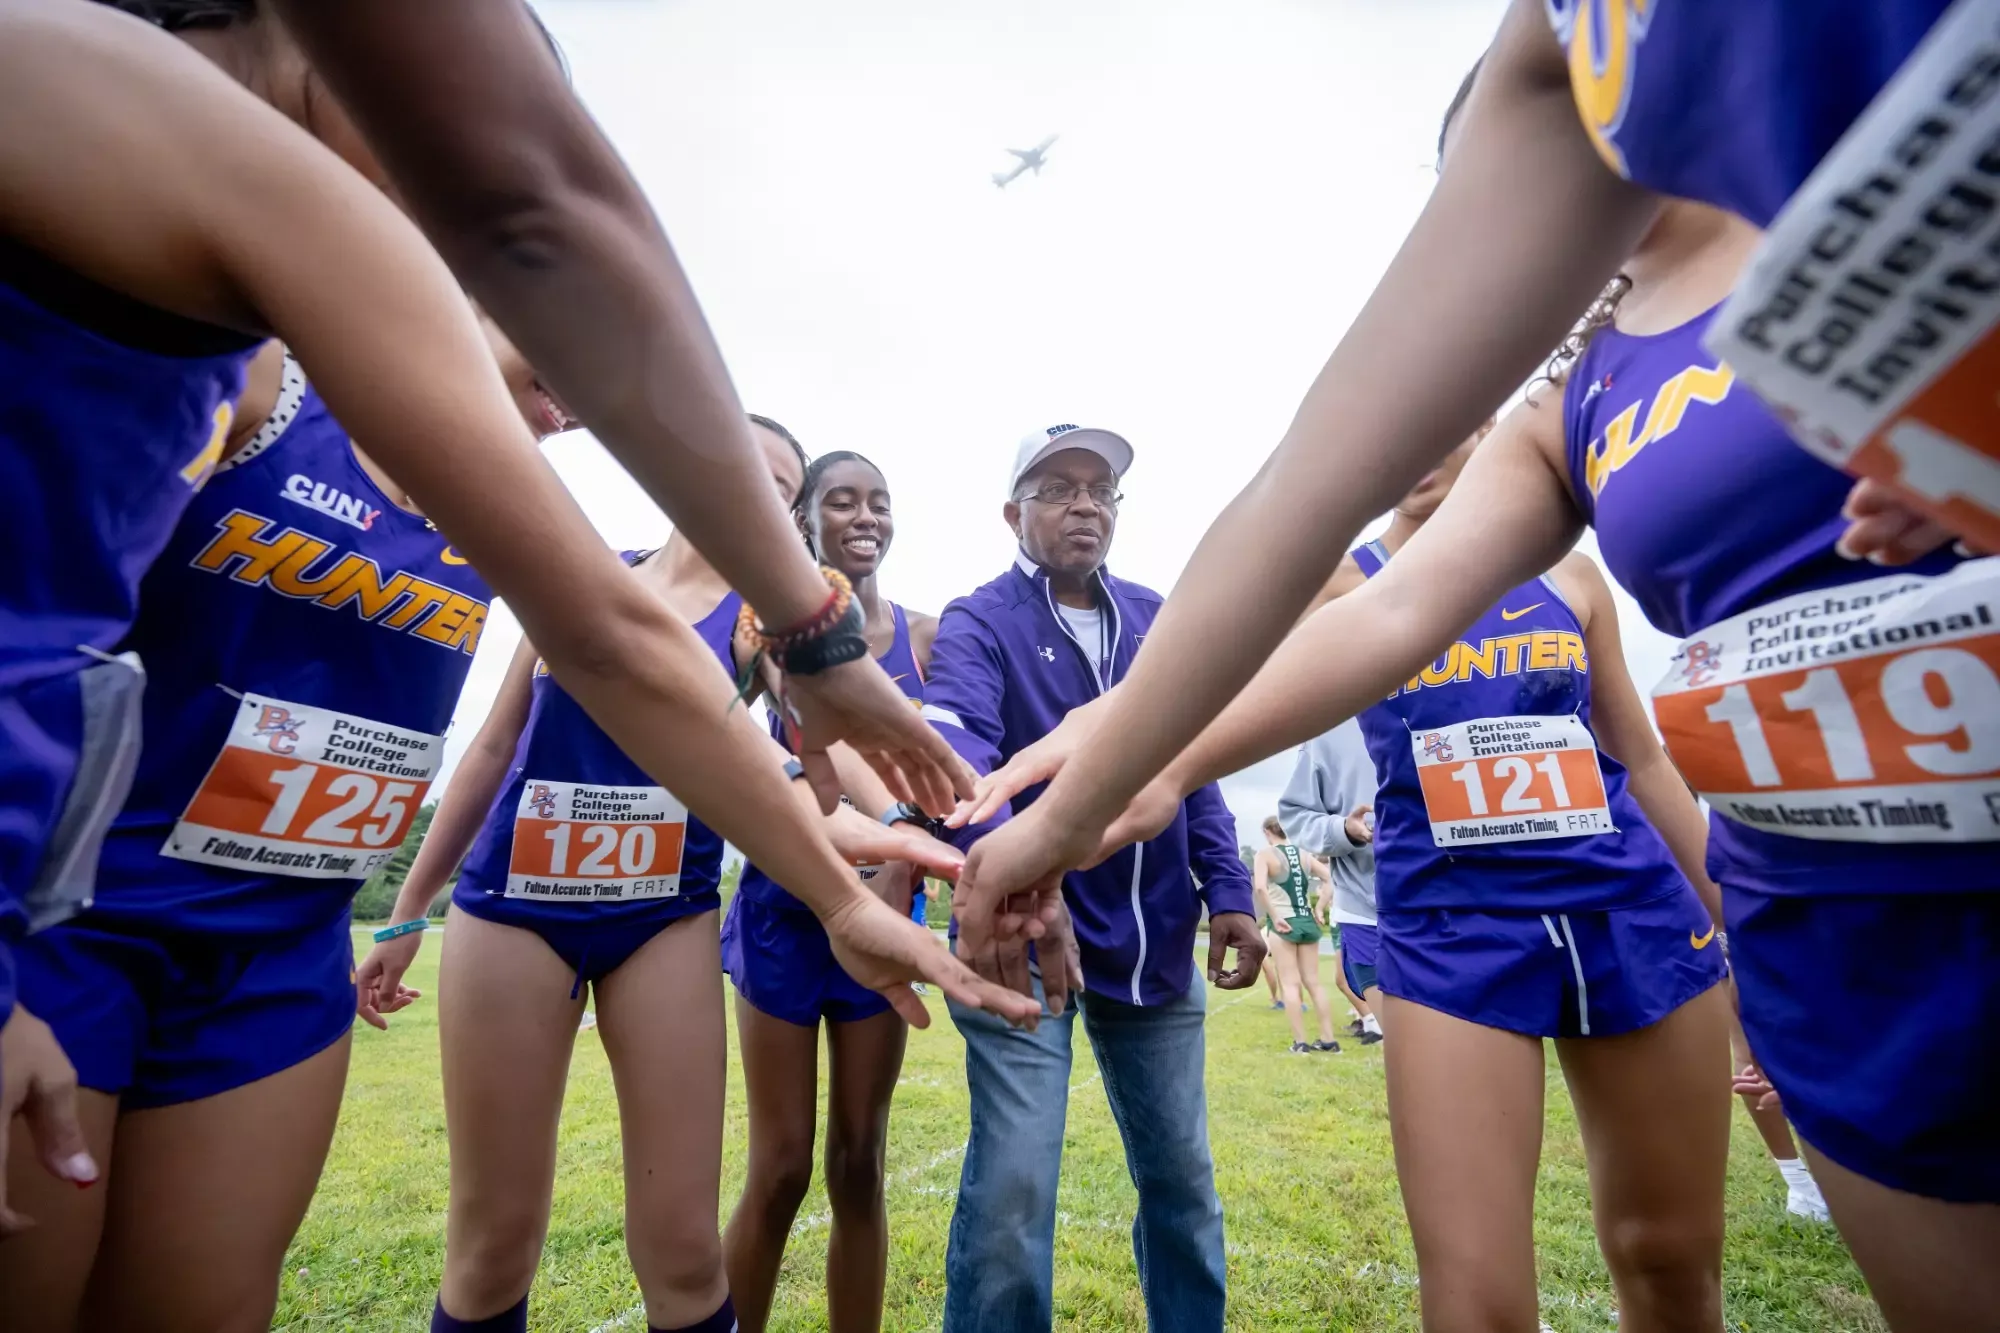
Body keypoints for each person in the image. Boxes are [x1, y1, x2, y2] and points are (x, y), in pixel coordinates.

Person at [0, 0, 1035, 1237]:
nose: (438, 207)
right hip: (76, 916)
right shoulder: (73, 85)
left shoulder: (441, 439)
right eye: (448, 130)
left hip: (285, 941)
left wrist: (845, 877)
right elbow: (537, 214)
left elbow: (629, 657)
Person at [257, 0, 969, 810]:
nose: (582, 397)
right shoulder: (263, 385)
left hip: (306, 931)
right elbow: (507, 735)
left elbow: (661, 695)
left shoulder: (499, 507)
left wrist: (849, 873)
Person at [0, 328, 571, 1327]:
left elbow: (638, 671)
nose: (568, 406)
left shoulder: (513, 515)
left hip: (278, 962)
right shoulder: (266, 389)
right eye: (560, 339)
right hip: (65, 936)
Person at [352, 421, 969, 1333]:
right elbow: (487, 753)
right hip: (512, 916)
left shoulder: (761, 625)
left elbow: (808, 755)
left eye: (778, 488)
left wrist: (904, 823)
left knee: (683, 1251)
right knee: (491, 1247)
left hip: (661, 921)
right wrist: (407, 916)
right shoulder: (587, 570)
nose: (748, 492)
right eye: (734, 465)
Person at [922, 425, 1262, 1333]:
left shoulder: (1163, 617)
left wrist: (1227, 889)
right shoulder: (978, 619)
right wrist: (1036, 890)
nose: (1086, 504)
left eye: (1102, 489)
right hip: (1025, 941)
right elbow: (963, 768)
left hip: (1155, 939)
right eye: (1060, 486)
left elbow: (1197, 767)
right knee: (1016, 1185)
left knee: (1183, 1181)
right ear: (1013, 512)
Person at [720, 450, 939, 1333]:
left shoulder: (930, 636)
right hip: (783, 910)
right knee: (779, 1167)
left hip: (888, 912)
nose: (865, 517)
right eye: (841, 500)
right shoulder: (762, 625)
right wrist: (895, 828)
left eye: (879, 502)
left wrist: (902, 859)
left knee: (860, 1161)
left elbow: (941, 773)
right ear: (804, 518)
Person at [1280, 719, 1385, 1045]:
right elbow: (1296, 815)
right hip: (1367, 910)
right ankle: (1355, 1026)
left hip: (1463, 901)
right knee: (1412, 1054)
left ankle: (1321, 1037)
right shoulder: (1334, 725)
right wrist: (1343, 830)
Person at [1254, 816, 1339, 1053]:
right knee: (1314, 982)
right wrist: (1319, 908)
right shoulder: (1303, 854)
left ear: (1266, 831)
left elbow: (1260, 887)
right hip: (1307, 922)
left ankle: (1301, 1043)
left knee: (1290, 984)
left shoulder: (1265, 854)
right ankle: (1329, 1040)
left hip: (1284, 923)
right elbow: (1330, 878)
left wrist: (1274, 915)